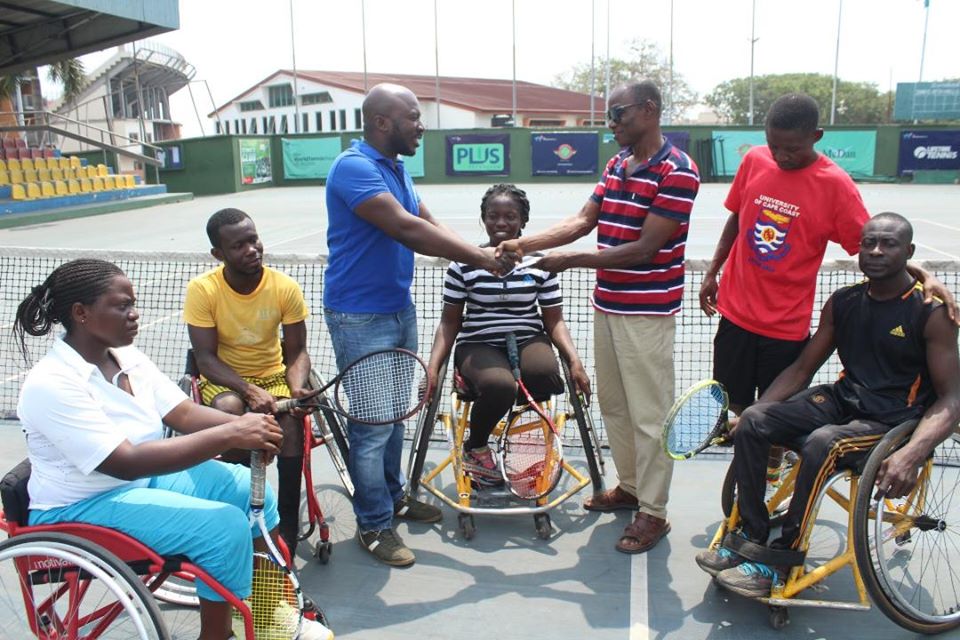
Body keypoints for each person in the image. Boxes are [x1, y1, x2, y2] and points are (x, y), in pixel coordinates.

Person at [14, 258, 333, 640]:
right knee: (224, 527)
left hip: (137, 485)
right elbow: (126, 463)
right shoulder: (51, 383)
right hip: (80, 508)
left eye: (133, 303)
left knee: (249, 489)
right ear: (81, 313)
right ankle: (218, 636)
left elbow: (181, 412)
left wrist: (248, 427)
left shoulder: (125, 355)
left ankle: (264, 614)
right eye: (122, 306)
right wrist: (233, 434)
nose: (134, 314)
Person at [696, 213, 960, 599]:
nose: (875, 251)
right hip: (845, 399)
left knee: (824, 441)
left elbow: (952, 397)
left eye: (888, 244)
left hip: (892, 419)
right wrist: (756, 412)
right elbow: (802, 368)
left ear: (910, 252)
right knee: (754, 419)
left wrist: (914, 452)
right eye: (868, 243)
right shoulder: (845, 302)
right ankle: (751, 538)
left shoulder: (930, 313)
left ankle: (778, 560)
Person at [699, 93, 956, 481]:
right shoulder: (754, 160)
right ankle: (759, 455)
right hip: (735, 313)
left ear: (816, 136)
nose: (781, 156)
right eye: (774, 146)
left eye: (793, 148)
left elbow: (875, 246)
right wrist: (712, 271)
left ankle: (771, 465)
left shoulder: (835, 185)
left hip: (784, 325)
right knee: (736, 401)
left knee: (773, 414)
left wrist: (924, 273)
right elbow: (737, 218)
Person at [497, 79, 700, 554]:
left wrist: (569, 262)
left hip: (648, 313)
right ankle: (629, 487)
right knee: (614, 406)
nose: (612, 124)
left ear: (649, 111)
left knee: (650, 416)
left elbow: (646, 249)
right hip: (607, 307)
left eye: (620, 114)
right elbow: (583, 221)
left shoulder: (678, 171)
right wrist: (524, 245)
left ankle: (653, 512)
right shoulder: (617, 164)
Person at [324, 83, 518, 567]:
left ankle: (392, 497)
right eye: (413, 117)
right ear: (384, 123)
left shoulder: (396, 168)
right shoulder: (354, 168)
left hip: (396, 309)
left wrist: (480, 258)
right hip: (358, 316)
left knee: (394, 419)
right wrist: (482, 260)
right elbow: (406, 229)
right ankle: (373, 524)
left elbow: (426, 219)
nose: (421, 125)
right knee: (372, 426)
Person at [425, 184, 591, 485]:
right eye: (493, 216)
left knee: (547, 375)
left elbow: (554, 322)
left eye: (510, 216)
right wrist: (433, 367)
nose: (501, 223)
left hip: (528, 337)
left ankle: (500, 409)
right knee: (501, 386)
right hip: (478, 343)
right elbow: (449, 323)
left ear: (523, 221)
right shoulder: (463, 265)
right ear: (483, 219)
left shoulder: (540, 265)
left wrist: (574, 361)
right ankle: (476, 446)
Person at [184, 208, 311, 556]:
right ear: (218, 254)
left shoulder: (284, 287)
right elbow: (206, 358)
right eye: (238, 245)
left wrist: (297, 386)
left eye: (253, 239)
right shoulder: (202, 290)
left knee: (291, 426)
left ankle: (286, 528)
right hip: (225, 378)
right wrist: (247, 389)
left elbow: (297, 352)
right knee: (229, 411)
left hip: (273, 376)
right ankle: (239, 514)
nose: (251, 249)